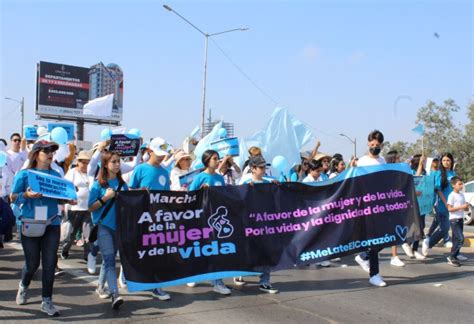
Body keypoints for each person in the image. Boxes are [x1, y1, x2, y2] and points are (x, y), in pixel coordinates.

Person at [11, 140, 75, 316]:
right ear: (36, 153)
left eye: (52, 151)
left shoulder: (56, 174)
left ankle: (47, 301)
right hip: (30, 223)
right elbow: (13, 197)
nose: (50, 153)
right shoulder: (25, 175)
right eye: (46, 150)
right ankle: (24, 285)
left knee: (49, 265)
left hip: (52, 223)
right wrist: (26, 195)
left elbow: (61, 197)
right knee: (32, 264)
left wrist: (70, 199)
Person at [128, 137, 172, 301]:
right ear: (150, 151)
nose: (161, 157)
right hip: (141, 217)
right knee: (138, 251)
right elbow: (130, 192)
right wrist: (139, 191)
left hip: (158, 220)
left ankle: (156, 286)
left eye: (163, 154)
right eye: (158, 153)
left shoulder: (164, 172)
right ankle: (127, 273)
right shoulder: (140, 169)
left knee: (156, 253)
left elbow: (167, 196)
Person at [88, 151, 128, 309]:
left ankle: (100, 286)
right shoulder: (98, 185)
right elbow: (90, 207)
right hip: (104, 227)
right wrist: (105, 198)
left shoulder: (123, 185)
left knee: (108, 260)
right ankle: (115, 294)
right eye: (114, 162)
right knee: (110, 260)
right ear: (105, 164)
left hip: (119, 228)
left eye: (119, 161)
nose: (117, 164)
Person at [188, 150, 231, 295]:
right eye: (214, 158)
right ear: (207, 160)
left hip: (217, 219)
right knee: (201, 248)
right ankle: (194, 274)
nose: (217, 161)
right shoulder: (199, 177)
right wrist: (201, 191)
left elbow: (225, 196)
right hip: (202, 217)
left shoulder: (220, 177)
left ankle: (217, 282)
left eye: (218, 158)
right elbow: (190, 196)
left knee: (216, 249)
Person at [234, 155, 278, 293]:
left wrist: (277, 187)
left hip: (264, 224)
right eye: (261, 167)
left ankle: (265, 281)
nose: (264, 169)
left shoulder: (268, 182)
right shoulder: (245, 181)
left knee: (266, 252)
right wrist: (245, 189)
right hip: (248, 224)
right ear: (253, 169)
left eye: (265, 167)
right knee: (247, 251)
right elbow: (236, 198)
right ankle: (239, 272)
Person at [354, 130, 386, 287]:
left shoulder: (383, 161)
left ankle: (363, 256)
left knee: (385, 237)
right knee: (374, 239)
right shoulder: (362, 161)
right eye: (372, 144)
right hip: (366, 205)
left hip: (381, 204)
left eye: (378, 145)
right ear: (368, 144)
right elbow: (353, 181)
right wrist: (352, 168)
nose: (375, 147)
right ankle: (374, 274)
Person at [61, 150, 93, 262]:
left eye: (87, 162)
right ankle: (65, 250)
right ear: (78, 162)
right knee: (71, 234)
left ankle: (87, 255)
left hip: (88, 208)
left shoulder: (91, 173)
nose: (85, 165)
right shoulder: (72, 172)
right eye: (83, 162)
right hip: (74, 209)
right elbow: (65, 188)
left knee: (88, 234)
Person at [422, 153, 456, 256]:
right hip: (441, 204)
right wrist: (446, 203)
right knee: (444, 228)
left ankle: (455, 252)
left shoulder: (453, 173)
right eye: (444, 160)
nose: (446, 162)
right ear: (441, 162)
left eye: (448, 160)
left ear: (451, 161)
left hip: (452, 205)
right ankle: (428, 242)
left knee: (448, 228)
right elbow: (438, 190)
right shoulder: (438, 174)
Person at [401, 154, 427, 260]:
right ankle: (406, 242)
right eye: (422, 161)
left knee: (421, 226)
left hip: (423, 203)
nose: (425, 162)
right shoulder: (409, 172)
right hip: (412, 203)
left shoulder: (426, 172)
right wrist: (420, 164)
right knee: (414, 225)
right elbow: (416, 179)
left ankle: (415, 249)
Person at [446, 176, 469, 266]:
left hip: (460, 219)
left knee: (456, 239)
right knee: (460, 239)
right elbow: (449, 209)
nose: (461, 186)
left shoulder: (461, 195)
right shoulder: (451, 195)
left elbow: (464, 209)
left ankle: (454, 257)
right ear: (453, 185)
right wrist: (461, 207)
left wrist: (466, 207)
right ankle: (452, 256)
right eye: (459, 184)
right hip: (454, 220)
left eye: (461, 184)